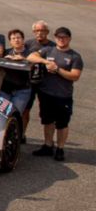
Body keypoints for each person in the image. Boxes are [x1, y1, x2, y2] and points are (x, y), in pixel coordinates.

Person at [29, 26, 81, 162]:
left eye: (64, 37)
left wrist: (57, 69)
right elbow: (31, 56)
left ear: (69, 39)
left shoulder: (75, 57)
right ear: (55, 38)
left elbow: (75, 76)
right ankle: (48, 145)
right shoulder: (48, 50)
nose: (61, 39)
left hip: (63, 95)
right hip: (46, 93)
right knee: (47, 121)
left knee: (62, 124)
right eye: (59, 37)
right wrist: (46, 62)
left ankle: (60, 149)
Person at [1, 29, 35, 133]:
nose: (16, 40)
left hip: (22, 90)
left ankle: (14, 136)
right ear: (10, 41)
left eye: (19, 38)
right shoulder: (6, 52)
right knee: (2, 115)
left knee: (14, 115)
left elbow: (36, 63)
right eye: (13, 38)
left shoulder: (30, 54)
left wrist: (23, 59)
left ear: (23, 39)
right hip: (5, 89)